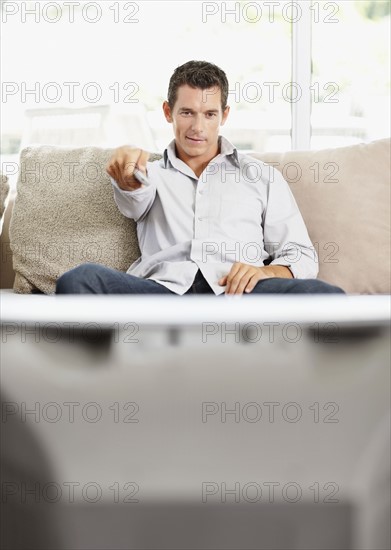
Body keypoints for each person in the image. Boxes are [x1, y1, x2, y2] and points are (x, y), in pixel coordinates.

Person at [56, 60, 344, 296]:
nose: (197, 127)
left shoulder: (261, 176)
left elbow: (301, 254)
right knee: (79, 280)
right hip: (162, 292)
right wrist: (126, 178)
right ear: (168, 112)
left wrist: (265, 271)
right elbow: (133, 197)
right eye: (187, 113)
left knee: (326, 297)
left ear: (224, 115)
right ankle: (115, 363)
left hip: (240, 291)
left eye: (209, 114)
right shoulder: (150, 174)